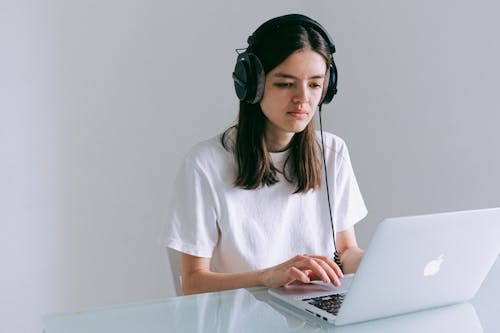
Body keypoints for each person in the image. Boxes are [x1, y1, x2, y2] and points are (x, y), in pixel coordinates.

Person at [162, 14, 367, 295]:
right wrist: (268, 276)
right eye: (285, 84)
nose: (303, 99)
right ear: (253, 85)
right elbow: (193, 282)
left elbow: (345, 251)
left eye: (315, 85)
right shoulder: (205, 164)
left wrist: (378, 263)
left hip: (315, 319)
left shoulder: (332, 152)